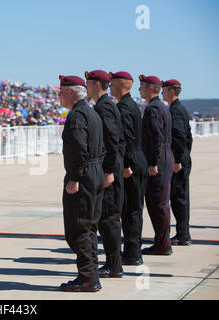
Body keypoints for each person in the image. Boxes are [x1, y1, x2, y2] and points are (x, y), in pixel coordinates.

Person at [59, 75, 105, 292]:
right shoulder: (92, 113)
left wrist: (75, 178)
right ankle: (90, 274)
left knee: (78, 228)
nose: (59, 95)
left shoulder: (77, 115)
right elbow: (102, 147)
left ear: (71, 93)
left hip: (83, 174)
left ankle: (87, 277)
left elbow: (78, 149)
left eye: (61, 91)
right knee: (89, 227)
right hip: (94, 171)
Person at [85, 70, 125, 278]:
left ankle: (114, 265)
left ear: (98, 85)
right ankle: (113, 263)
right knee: (106, 218)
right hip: (109, 166)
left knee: (108, 218)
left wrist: (109, 170)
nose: (87, 87)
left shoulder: (104, 107)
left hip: (108, 168)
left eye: (89, 83)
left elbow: (111, 140)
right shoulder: (104, 105)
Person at [110, 71, 148, 265]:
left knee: (130, 209)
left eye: (112, 83)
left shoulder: (124, 107)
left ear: (120, 85)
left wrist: (125, 165)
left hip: (131, 161)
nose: (109, 86)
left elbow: (124, 138)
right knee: (133, 208)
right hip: (136, 158)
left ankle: (132, 253)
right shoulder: (129, 104)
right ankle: (133, 250)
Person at [140, 75, 175, 255]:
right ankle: (162, 241)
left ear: (150, 89)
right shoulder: (162, 106)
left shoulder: (153, 108)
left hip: (158, 158)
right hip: (164, 155)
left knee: (157, 202)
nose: (139, 90)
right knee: (159, 202)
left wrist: (152, 162)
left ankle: (163, 244)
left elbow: (156, 136)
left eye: (142, 86)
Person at [162, 79, 193, 246]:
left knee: (179, 198)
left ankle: (183, 234)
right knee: (178, 196)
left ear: (172, 91)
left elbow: (180, 136)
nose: (162, 92)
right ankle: (182, 233)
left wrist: (179, 159)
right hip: (181, 158)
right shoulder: (176, 108)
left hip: (178, 160)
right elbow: (189, 138)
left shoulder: (176, 110)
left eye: (164, 90)